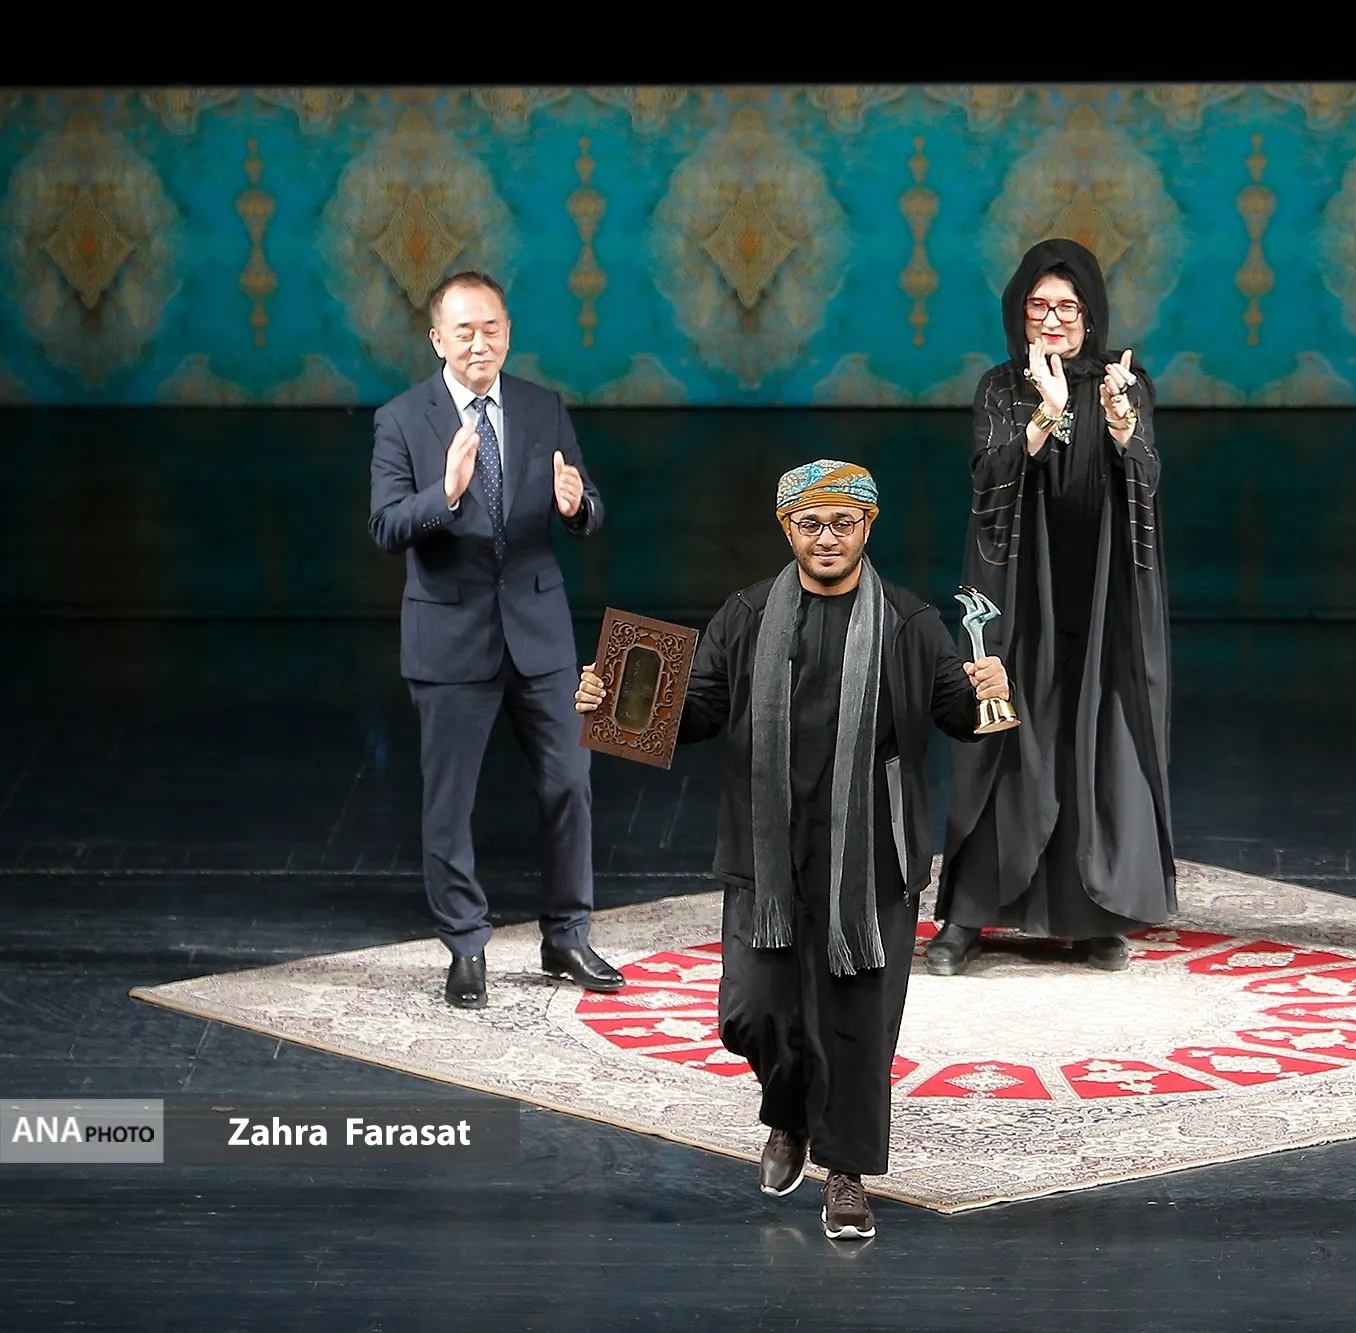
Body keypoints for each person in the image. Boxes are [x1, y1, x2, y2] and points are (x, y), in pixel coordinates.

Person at [577, 460, 1010, 1242]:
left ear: (867, 527)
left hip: (868, 858)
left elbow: (959, 714)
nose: (827, 537)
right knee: (751, 1012)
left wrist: (990, 691)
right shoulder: (747, 614)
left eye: (843, 522)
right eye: (811, 523)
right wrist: (618, 699)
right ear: (788, 529)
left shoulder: (909, 622)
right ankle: (788, 1111)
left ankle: (844, 1175)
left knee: (855, 1026)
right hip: (765, 851)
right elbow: (698, 709)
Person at [367, 270, 624, 1009]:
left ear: (508, 332)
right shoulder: (401, 419)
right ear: (437, 339)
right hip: (449, 636)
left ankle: (567, 935)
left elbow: (587, 503)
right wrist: (445, 494)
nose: (480, 343)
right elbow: (385, 525)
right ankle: (465, 944)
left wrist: (578, 508)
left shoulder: (543, 406)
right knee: (450, 802)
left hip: (540, 634)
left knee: (569, 784)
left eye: (492, 329)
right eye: (465, 331)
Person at [929, 238, 1174, 977]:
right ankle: (967, 915)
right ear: (1020, 314)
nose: (1054, 318)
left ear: (1090, 316)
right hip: (1017, 598)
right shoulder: (1002, 387)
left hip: (1099, 596)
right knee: (1000, 738)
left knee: (1094, 743)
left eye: (1068, 306)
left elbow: (1147, 480)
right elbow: (988, 480)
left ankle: (1093, 916)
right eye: (1039, 305)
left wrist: (1123, 428)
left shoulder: (1124, 385)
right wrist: (1048, 414)